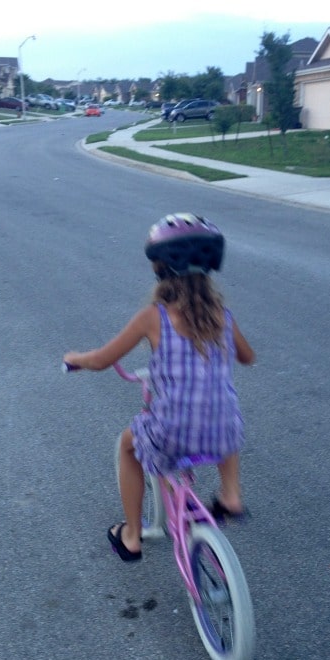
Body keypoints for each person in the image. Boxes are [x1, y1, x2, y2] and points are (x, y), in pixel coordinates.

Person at [63, 212, 255, 562]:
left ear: (159, 269)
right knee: (222, 411)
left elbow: (104, 359)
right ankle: (231, 496)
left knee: (128, 445)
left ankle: (133, 536)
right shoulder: (223, 317)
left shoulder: (155, 317)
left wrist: (77, 358)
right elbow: (247, 357)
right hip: (226, 434)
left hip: (172, 433)